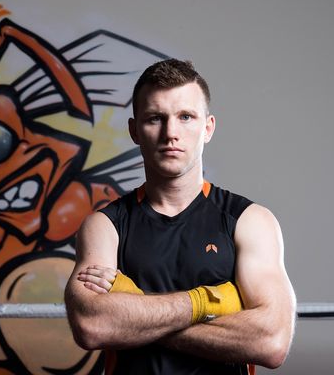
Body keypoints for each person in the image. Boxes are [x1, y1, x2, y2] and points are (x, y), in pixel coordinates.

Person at [64, 59, 296, 374]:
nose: (170, 133)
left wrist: (135, 314)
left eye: (185, 117)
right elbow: (93, 326)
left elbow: (271, 343)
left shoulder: (249, 221)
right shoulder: (105, 226)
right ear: (135, 131)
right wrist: (210, 302)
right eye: (155, 118)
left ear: (208, 128)